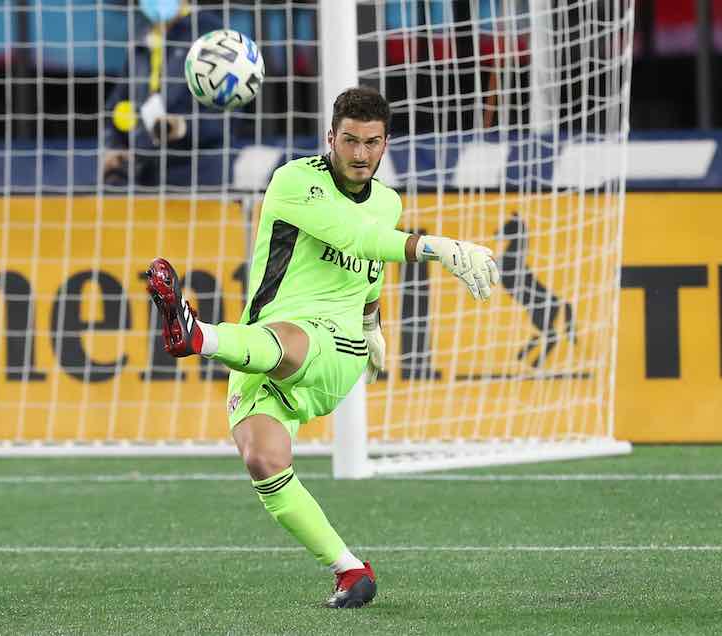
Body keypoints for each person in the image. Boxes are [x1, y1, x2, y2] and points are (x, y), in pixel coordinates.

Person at [145, 86, 500, 608]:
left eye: (372, 143)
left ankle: (195, 335)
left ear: (385, 144)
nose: (360, 154)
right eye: (350, 141)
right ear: (330, 137)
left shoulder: (387, 200)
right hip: (261, 348)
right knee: (263, 459)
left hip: (332, 350)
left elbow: (370, 266)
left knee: (295, 337)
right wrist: (434, 247)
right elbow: (354, 238)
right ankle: (350, 570)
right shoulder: (294, 181)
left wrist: (373, 323)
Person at [101, 0, 224, 188]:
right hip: (149, 174)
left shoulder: (209, 33)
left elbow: (229, 114)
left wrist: (182, 127)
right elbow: (118, 101)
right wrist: (115, 146)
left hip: (200, 175)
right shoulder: (143, 35)